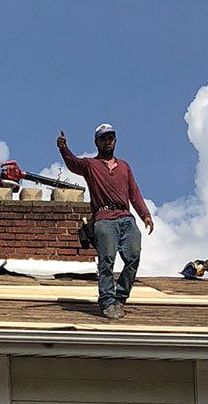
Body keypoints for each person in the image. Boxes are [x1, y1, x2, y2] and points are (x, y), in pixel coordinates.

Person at [57, 124, 153, 319]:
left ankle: (120, 298)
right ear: (97, 142)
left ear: (115, 141)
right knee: (107, 260)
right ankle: (107, 301)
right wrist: (64, 149)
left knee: (133, 256)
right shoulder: (90, 165)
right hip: (104, 219)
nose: (108, 141)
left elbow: (134, 194)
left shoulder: (124, 166)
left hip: (126, 218)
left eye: (111, 138)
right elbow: (73, 163)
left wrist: (145, 215)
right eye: (104, 138)